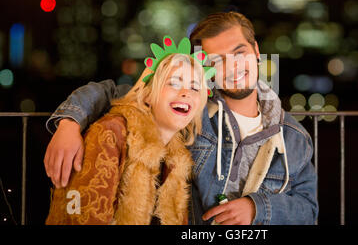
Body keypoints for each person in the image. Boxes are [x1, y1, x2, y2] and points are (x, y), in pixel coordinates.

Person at [44, 12, 318, 225]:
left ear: (256, 51)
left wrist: (257, 208)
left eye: (239, 53)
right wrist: (69, 123)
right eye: (216, 61)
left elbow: (308, 208)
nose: (232, 68)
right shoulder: (191, 108)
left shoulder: (293, 136)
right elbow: (113, 92)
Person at [45, 36, 212, 224]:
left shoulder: (176, 158)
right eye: (173, 82)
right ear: (147, 95)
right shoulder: (110, 134)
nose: (186, 92)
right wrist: (69, 122)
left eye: (194, 87)